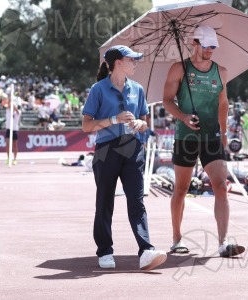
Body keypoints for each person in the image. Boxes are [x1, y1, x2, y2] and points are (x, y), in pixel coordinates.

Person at [163, 25, 245, 257]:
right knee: (181, 188)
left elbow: (223, 104)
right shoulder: (178, 68)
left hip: (212, 137)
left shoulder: (221, 72)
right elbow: (167, 100)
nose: (210, 50)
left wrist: (224, 131)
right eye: (206, 46)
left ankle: (223, 242)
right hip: (186, 136)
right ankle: (176, 238)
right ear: (195, 43)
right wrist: (184, 116)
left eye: (213, 46)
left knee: (220, 186)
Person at [82, 45, 167, 270]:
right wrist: (113, 119)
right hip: (106, 150)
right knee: (104, 202)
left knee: (137, 201)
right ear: (118, 62)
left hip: (133, 148)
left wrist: (141, 124)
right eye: (132, 59)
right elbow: (86, 125)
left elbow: (144, 121)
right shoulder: (98, 89)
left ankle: (146, 250)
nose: (136, 62)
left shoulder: (137, 89)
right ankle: (105, 251)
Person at [4, 100, 21, 165]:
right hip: (8, 129)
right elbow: (7, 105)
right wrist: (10, 101)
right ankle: (8, 158)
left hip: (14, 130)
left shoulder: (18, 112)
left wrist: (14, 107)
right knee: (8, 144)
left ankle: (15, 159)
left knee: (15, 145)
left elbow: (17, 112)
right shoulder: (8, 111)